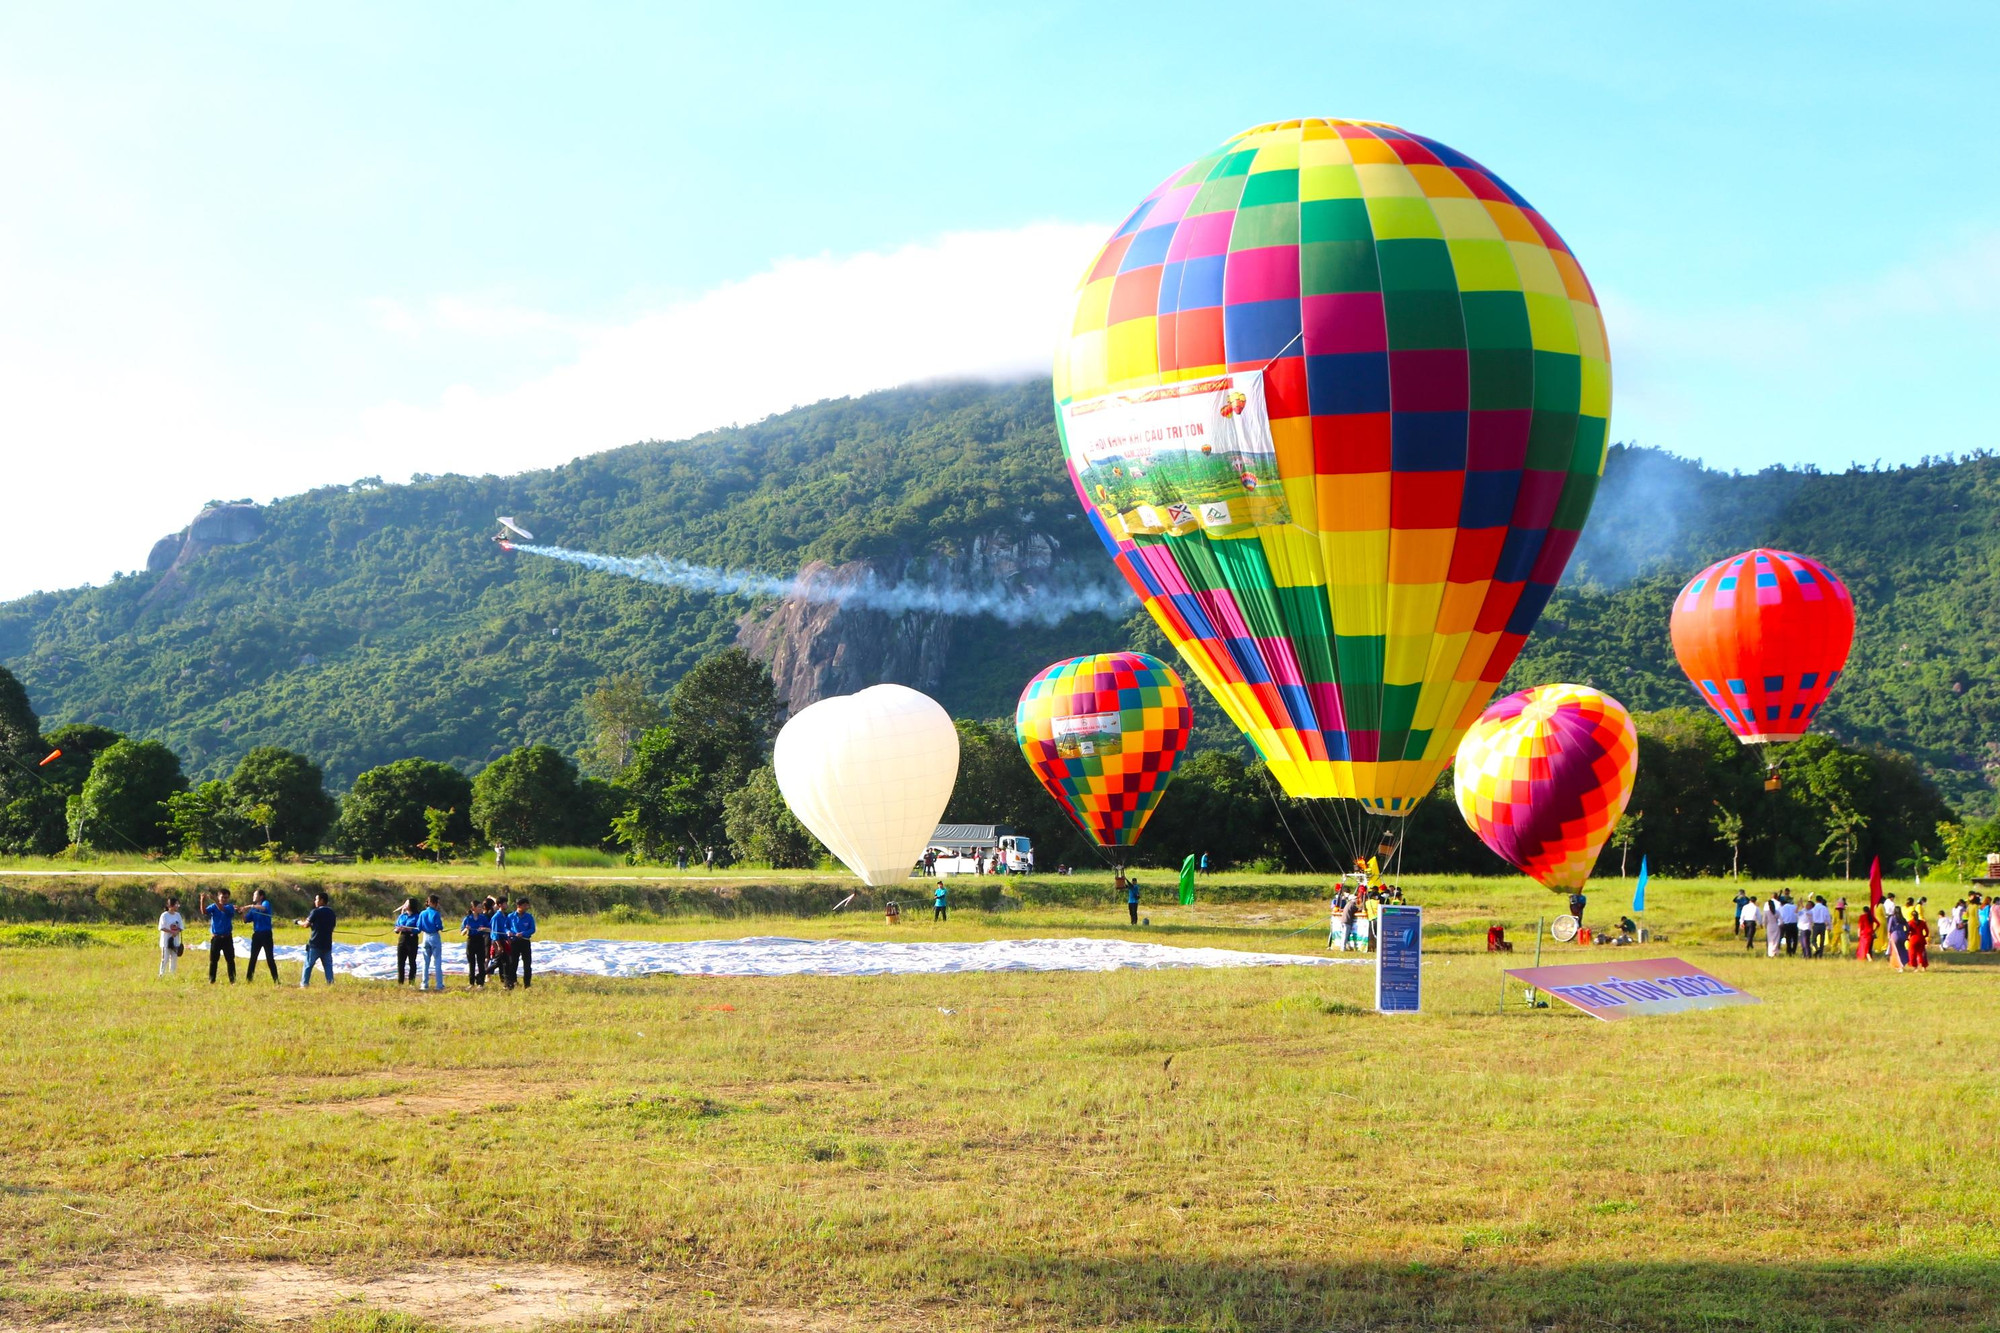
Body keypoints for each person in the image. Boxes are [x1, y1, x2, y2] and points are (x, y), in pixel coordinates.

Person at [199, 888, 239, 984]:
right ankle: (211, 980)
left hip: (227, 938)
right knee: (213, 960)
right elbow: (204, 912)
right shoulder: (213, 906)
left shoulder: (230, 907)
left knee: (230, 960)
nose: (225, 899)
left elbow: (222, 908)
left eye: (226, 898)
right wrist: (202, 900)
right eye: (223, 897)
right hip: (216, 937)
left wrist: (215, 900)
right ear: (219, 896)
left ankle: (232, 980)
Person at [298, 892, 336, 986]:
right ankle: (330, 983)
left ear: (322, 900)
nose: (315, 901)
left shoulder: (316, 911)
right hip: (327, 944)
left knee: (308, 965)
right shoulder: (332, 912)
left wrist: (297, 922)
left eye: (317, 899)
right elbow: (332, 926)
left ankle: (304, 984)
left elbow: (306, 924)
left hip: (315, 944)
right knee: (328, 966)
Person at [243, 889, 278, 983]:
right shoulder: (253, 909)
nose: (253, 896)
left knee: (270, 958)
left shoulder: (265, 903)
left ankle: (276, 980)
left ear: (261, 896)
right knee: (253, 958)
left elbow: (264, 909)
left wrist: (250, 906)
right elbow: (246, 920)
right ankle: (248, 980)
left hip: (266, 934)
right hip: (257, 935)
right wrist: (241, 912)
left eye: (255, 895)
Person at [416, 893, 446, 991]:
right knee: (437, 961)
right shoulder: (436, 914)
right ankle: (439, 984)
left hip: (425, 936)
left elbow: (418, 927)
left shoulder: (422, 913)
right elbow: (439, 926)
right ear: (436, 903)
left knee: (425, 962)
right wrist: (441, 928)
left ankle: (424, 984)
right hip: (434, 936)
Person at [460, 900, 488, 987]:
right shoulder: (467, 919)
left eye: (481, 907)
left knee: (481, 962)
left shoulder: (483, 918)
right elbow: (462, 933)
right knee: (471, 963)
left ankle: (481, 983)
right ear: (473, 908)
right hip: (471, 941)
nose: (481, 909)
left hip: (480, 940)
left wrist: (484, 929)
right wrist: (466, 929)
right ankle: (471, 983)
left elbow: (490, 929)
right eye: (479, 907)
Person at [393, 899, 420, 985]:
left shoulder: (417, 916)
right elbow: (396, 928)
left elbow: (418, 929)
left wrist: (408, 928)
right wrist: (397, 929)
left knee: (412, 961)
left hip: (412, 939)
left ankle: (411, 982)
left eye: (407, 903)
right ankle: (400, 982)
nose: (404, 904)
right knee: (400, 962)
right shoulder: (402, 916)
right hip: (402, 938)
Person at [491, 897, 516, 988]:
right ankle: (481, 976)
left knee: (503, 963)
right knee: (499, 963)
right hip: (498, 942)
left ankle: (507, 983)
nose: (507, 905)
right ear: (499, 905)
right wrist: (499, 945)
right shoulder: (496, 917)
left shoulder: (504, 915)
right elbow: (495, 933)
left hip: (504, 941)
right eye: (505, 903)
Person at [512, 898, 536, 988]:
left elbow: (532, 929)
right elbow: (506, 927)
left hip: (525, 942)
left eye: (527, 905)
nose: (527, 907)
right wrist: (509, 932)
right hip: (514, 942)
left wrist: (524, 933)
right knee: (513, 963)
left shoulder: (529, 917)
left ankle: (527, 984)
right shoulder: (511, 916)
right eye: (525, 905)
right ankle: (513, 981)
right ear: (519, 906)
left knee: (527, 963)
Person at [158, 897, 184, 977]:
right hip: (166, 941)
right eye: (176, 904)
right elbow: (161, 927)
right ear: (170, 905)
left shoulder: (178, 915)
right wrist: (171, 932)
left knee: (174, 958)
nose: (177, 906)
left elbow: (181, 926)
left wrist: (177, 932)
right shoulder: (164, 915)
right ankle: (161, 974)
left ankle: (172, 975)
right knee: (165, 958)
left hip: (175, 941)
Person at [1886, 900, 1910, 972]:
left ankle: (1899, 966)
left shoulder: (1892, 918)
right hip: (1902, 935)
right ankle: (1904, 962)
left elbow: (1889, 928)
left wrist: (1889, 935)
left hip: (1895, 935)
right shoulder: (1902, 918)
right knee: (1902, 950)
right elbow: (1908, 927)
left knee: (1896, 952)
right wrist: (1906, 933)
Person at [1908, 905, 1931, 971]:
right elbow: (1927, 931)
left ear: (1912, 916)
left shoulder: (1910, 923)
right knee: (1922, 953)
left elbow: (1907, 931)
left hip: (1913, 939)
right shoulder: (1922, 922)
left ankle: (1915, 967)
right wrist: (1925, 936)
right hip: (1921, 938)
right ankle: (1924, 967)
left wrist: (1907, 937)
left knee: (1912, 953)